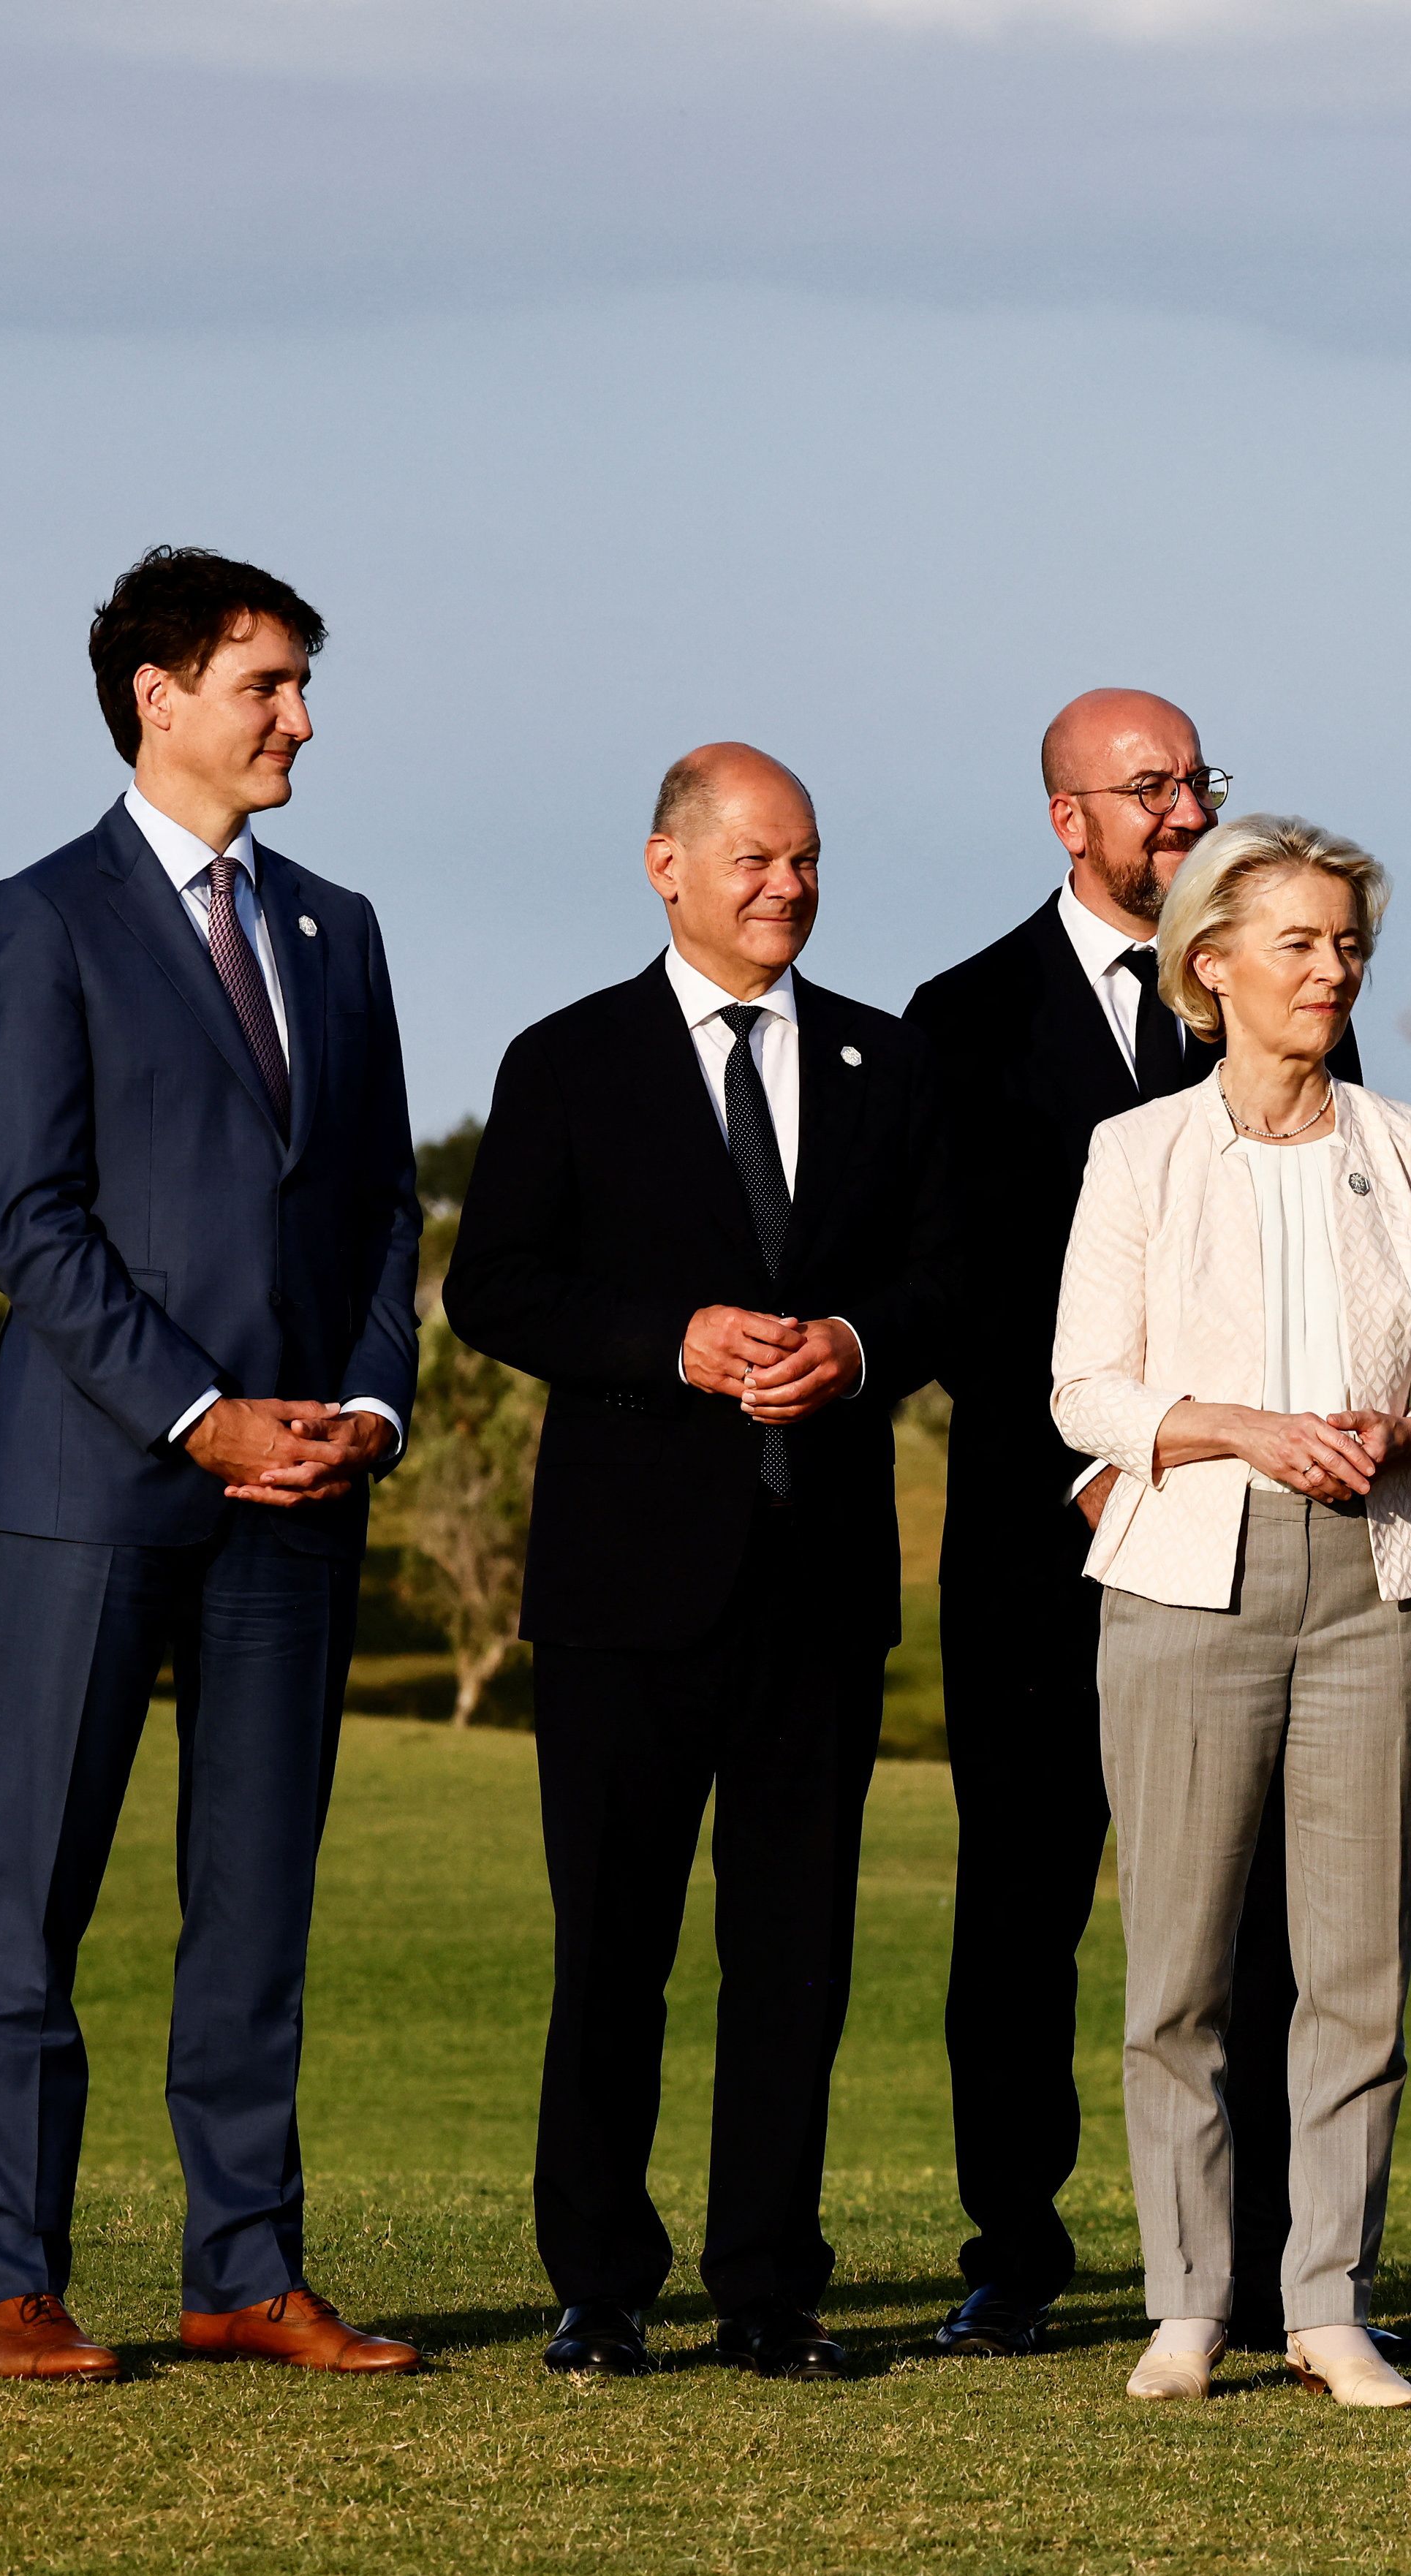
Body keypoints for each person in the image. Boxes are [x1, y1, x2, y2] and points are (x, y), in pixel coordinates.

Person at [0, 548, 423, 2382]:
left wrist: (366, 1412)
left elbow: (382, 1208)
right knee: (30, 1894)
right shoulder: (40, 918)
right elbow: (26, 1216)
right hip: (97, 1482)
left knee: (254, 1900)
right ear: (160, 696)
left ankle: (244, 2268)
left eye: (300, 684)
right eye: (266, 683)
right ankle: (9, 2277)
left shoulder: (338, 927)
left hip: (299, 1492)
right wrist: (197, 1411)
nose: (300, 717)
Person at [446, 743, 954, 2383]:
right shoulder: (568, 1059)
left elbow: (948, 1281)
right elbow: (493, 1285)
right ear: (667, 866)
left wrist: (857, 1346)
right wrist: (670, 1339)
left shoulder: (889, 1059)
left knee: (794, 1957)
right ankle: (598, 2286)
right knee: (613, 1950)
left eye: (806, 861)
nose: (787, 889)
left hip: (821, 1583)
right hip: (623, 1590)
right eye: (754, 860)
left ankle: (768, 2288)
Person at [901, 690, 1373, 2365]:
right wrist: (1103, 1455)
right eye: (1148, 786)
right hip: (1043, 1542)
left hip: (1258, 1544)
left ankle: (1263, 2266)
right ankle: (1014, 2253)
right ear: (1068, 817)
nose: (1182, 810)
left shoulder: (1282, 1008)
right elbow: (959, 1285)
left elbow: (1331, 1269)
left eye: (1197, 781)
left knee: (1261, 1923)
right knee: (1024, 1907)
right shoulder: (960, 1016)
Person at [1047, 815, 1411, 2413]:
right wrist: (1241, 1428)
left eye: (1347, 942)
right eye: (1299, 941)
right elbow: (1084, 1391)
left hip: (1380, 1581)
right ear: (1212, 965)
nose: (1331, 969)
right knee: (1177, 1973)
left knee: (1356, 1972)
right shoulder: (1138, 1151)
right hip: (1186, 1581)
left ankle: (1330, 2305)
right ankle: (1188, 2305)